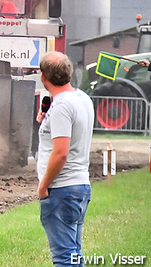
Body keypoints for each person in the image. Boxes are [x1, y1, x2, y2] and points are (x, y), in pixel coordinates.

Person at [37, 51, 94, 267]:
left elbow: (61, 152)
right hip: (79, 186)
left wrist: (44, 185)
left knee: (64, 258)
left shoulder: (61, 106)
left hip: (61, 189)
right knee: (73, 253)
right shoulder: (82, 98)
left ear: (44, 77)